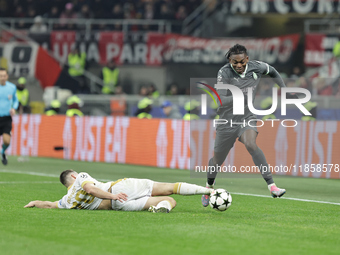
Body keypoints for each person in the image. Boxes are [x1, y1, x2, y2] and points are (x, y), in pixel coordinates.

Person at [201, 44, 287, 207]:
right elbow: (221, 99)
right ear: (229, 60)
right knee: (218, 160)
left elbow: (273, 71)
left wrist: (283, 88)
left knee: (251, 144)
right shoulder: (224, 73)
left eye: (241, 62)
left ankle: (272, 186)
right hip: (227, 120)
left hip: (246, 117)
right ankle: (209, 187)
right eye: (235, 62)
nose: (238, 65)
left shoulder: (257, 67)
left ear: (247, 59)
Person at [24, 170, 213, 213]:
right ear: (73, 176)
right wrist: (113, 194)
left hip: (118, 206)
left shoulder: (66, 201)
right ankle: (208, 191)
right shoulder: (81, 178)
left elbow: (49, 205)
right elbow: (92, 189)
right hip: (118, 190)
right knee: (169, 188)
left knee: (169, 201)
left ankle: (162, 207)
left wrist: (34, 203)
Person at [0, 68, 19, 165]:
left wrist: (14, 108)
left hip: (6, 118)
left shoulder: (12, 87)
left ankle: (2, 152)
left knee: (7, 141)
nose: (2, 78)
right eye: (0, 76)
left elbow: (16, 100)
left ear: (7, 76)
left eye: (4, 76)